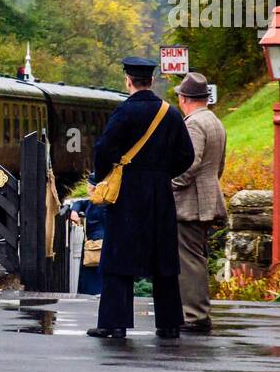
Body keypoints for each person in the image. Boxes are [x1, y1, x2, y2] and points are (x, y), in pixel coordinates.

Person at [87, 56, 195, 340]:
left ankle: (114, 324)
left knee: (118, 258)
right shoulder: (170, 113)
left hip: (127, 195)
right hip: (160, 194)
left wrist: (102, 177)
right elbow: (187, 156)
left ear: (128, 80)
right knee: (164, 260)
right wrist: (162, 173)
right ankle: (169, 324)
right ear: (152, 81)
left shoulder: (124, 112)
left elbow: (103, 149)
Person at [171, 72, 227, 333]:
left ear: (184, 98)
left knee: (189, 261)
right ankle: (197, 311)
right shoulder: (214, 121)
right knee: (197, 257)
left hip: (190, 204)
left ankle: (194, 315)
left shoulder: (193, 124)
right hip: (207, 199)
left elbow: (188, 164)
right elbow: (219, 165)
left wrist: (168, 184)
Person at [67, 173, 107, 295]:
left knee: (94, 275)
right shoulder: (97, 201)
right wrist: (74, 210)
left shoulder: (100, 204)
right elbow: (81, 203)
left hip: (98, 243)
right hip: (97, 243)